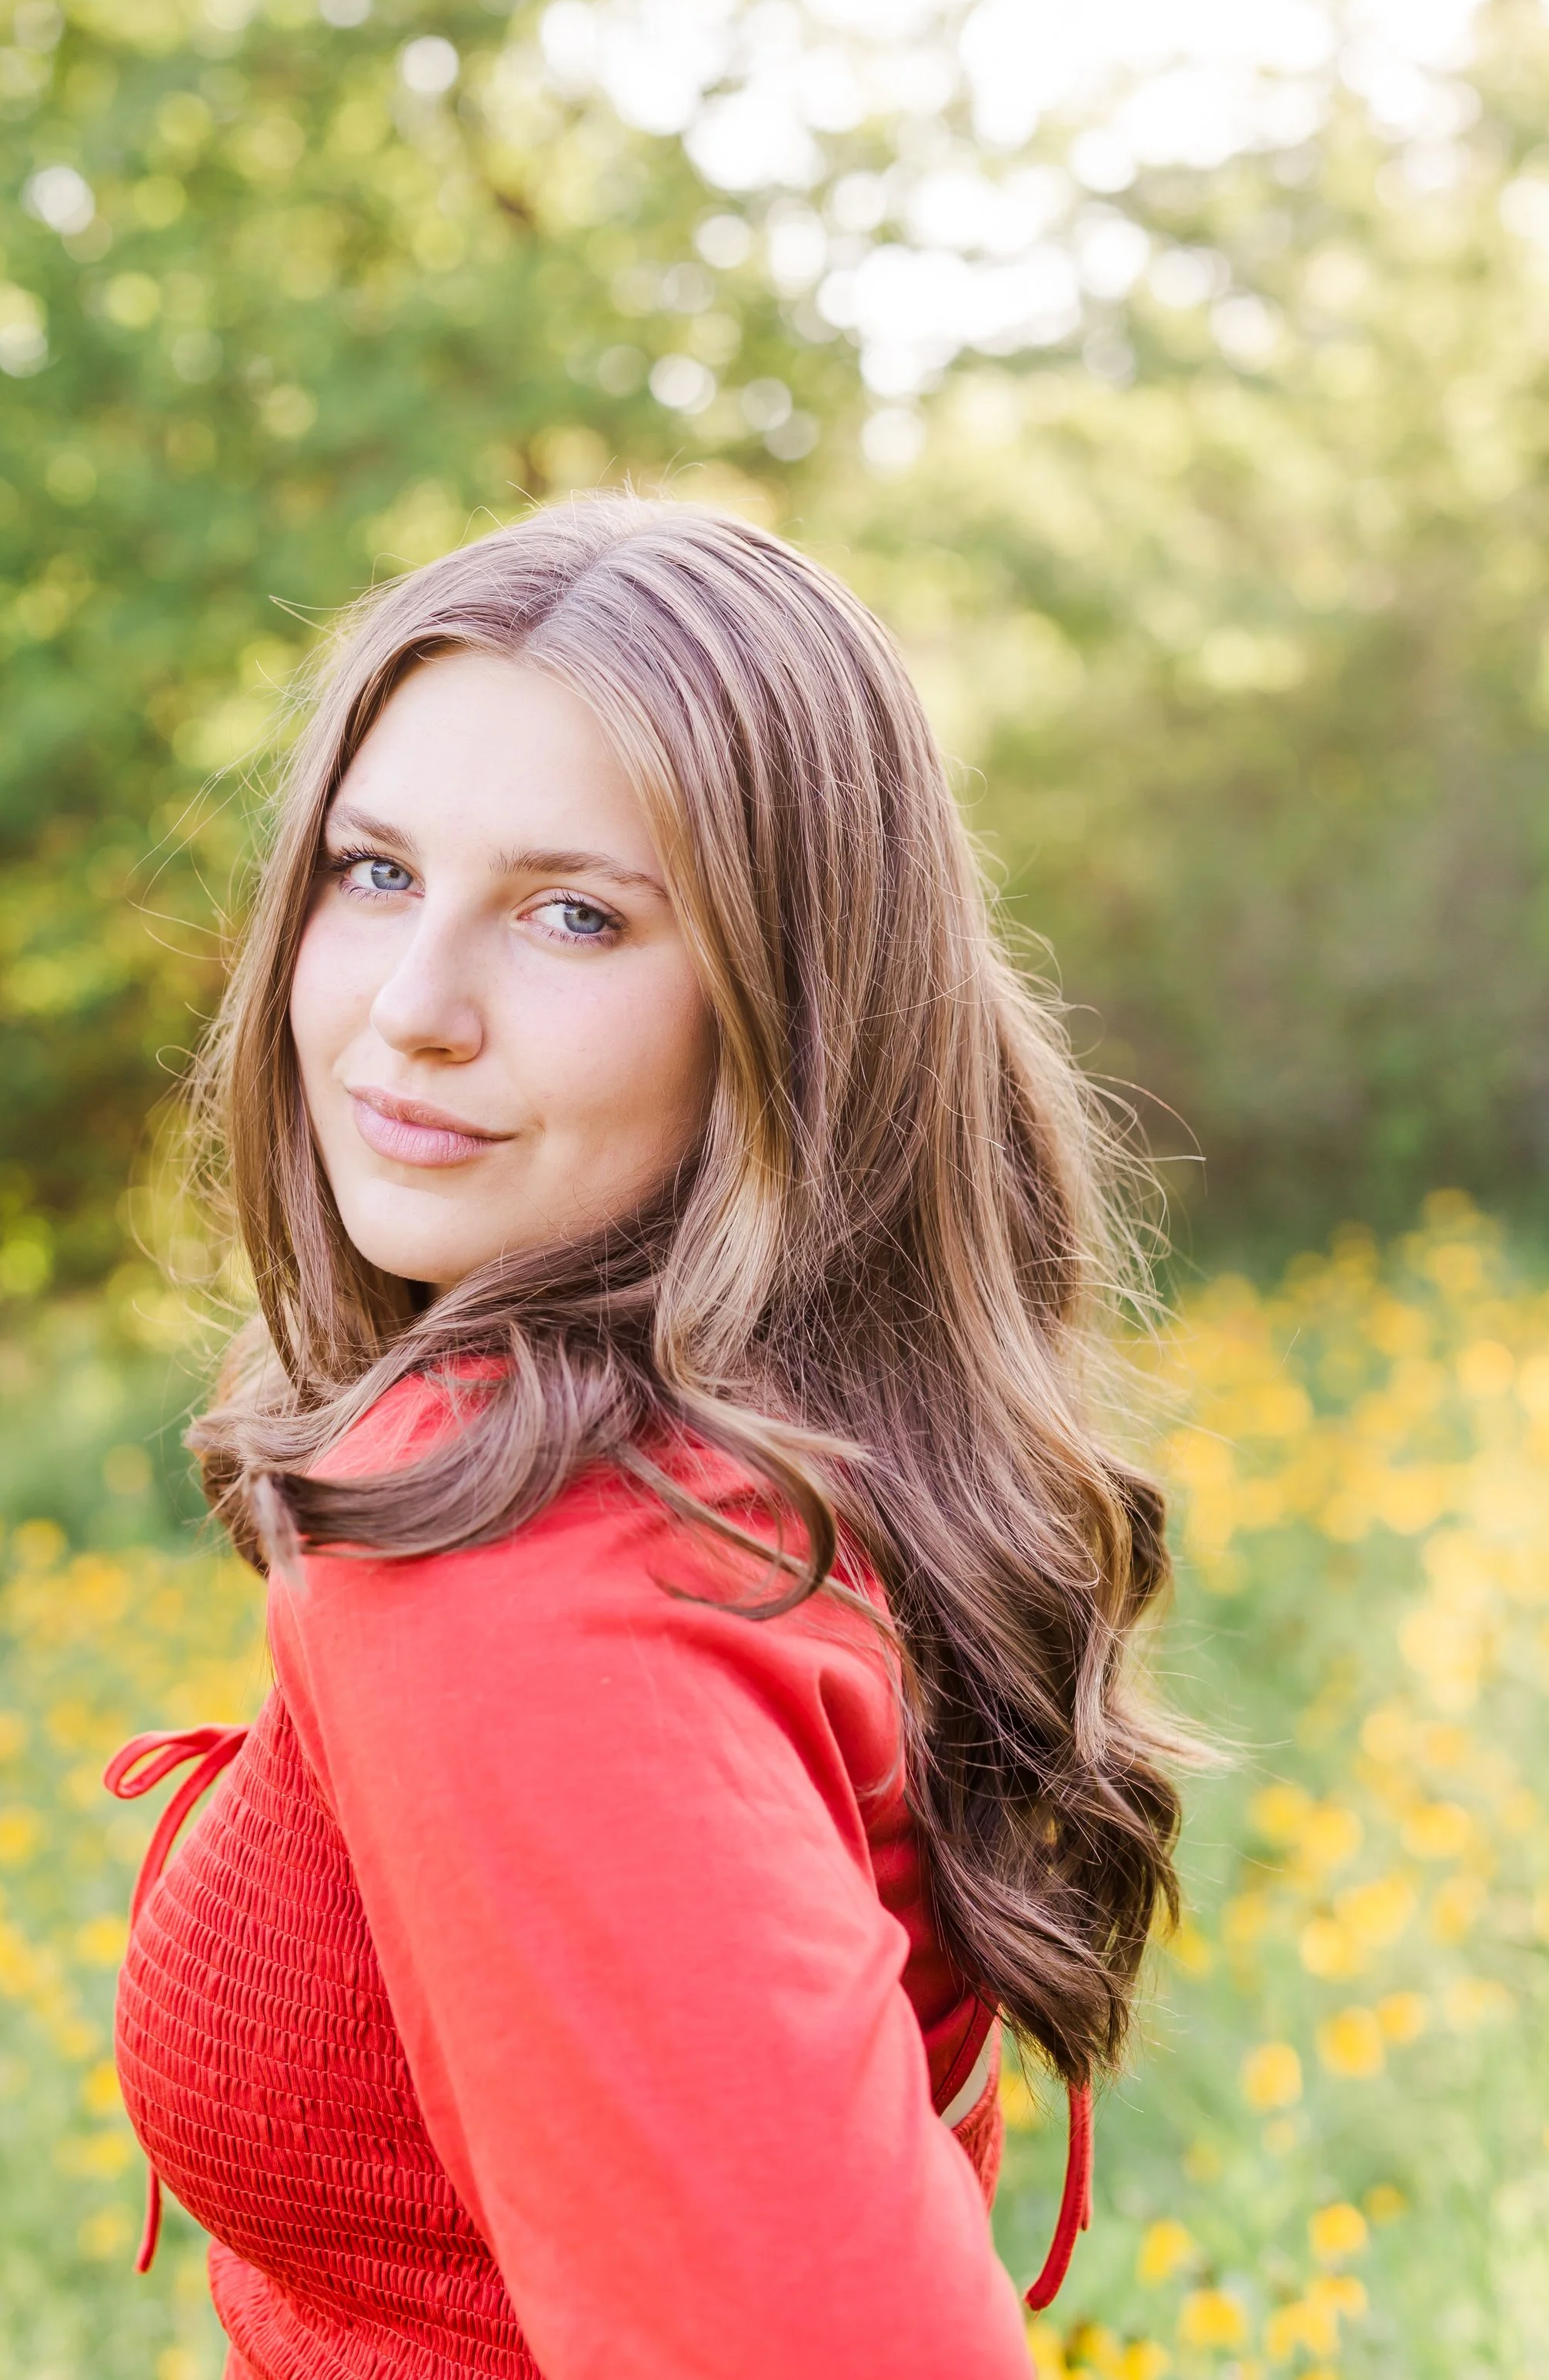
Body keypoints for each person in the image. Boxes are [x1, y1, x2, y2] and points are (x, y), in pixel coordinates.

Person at [105, 495, 1184, 2378]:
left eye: (572, 913)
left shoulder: (527, 1562)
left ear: (789, 1004)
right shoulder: (767, 1462)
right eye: (372, 873)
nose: (408, 1011)